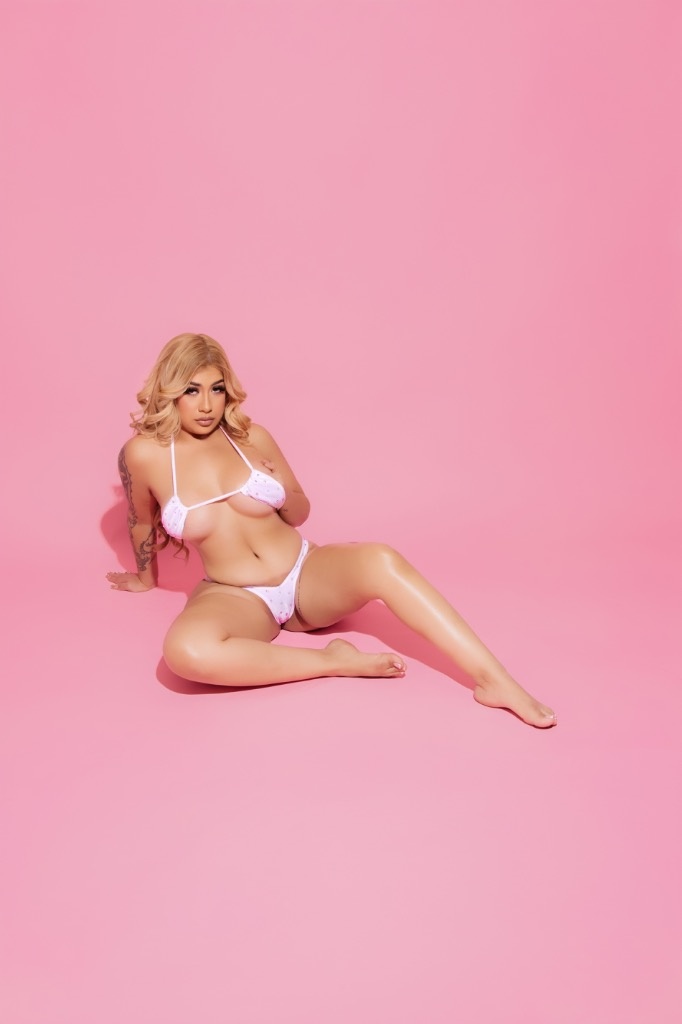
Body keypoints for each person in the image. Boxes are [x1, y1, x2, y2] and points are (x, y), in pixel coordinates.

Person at [106, 332, 556, 728]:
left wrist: (276, 489)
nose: (207, 405)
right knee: (186, 652)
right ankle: (331, 662)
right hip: (235, 595)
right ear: (170, 392)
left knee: (380, 558)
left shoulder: (250, 438)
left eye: (216, 389)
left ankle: (496, 681)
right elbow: (141, 520)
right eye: (192, 390)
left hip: (305, 575)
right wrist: (145, 578)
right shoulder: (144, 455)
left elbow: (300, 510)